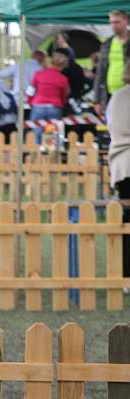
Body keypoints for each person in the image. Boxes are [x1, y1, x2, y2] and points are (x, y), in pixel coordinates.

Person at [106, 61, 130, 285]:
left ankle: (126, 275)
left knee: (126, 224)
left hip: (124, 165)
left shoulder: (117, 97)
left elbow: (110, 126)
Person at [95, 10, 130, 117]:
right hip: (109, 93)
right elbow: (100, 72)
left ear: (126, 21)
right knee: (112, 124)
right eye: (111, 22)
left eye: (117, 22)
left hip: (127, 91)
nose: (113, 25)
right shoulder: (107, 43)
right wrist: (97, 100)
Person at [29, 52, 70, 143]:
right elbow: (64, 96)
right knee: (53, 135)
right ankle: (52, 150)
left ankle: (37, 149)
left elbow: (31, 90)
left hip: (38, 106)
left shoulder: (38, 74)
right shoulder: (63, 78)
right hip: (54, 107)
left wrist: (30, 101)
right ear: (63, 65)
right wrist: (61, 104)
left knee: (37, 133)